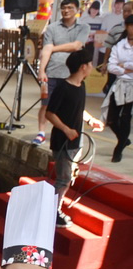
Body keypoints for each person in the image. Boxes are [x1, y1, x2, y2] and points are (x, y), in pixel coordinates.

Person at [45, 48, 92, 226]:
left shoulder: (82, 86)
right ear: (83, 67)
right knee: (63, 178)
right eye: (89, 64)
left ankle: (56, 208)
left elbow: (79, 110)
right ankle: (53, 212)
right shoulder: (63, 88)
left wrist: (89, 120)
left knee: (69, 176)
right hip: (63, 141)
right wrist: (66, 129)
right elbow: (50, 113)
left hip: (75, 142)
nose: (91, 67)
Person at [36, 0, 90, 145]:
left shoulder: (83, 28)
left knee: (74, 106)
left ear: (77, 10)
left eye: (70, 8)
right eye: (64, 8)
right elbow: (45, 51)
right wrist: (42, 70)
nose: (66, 11)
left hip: (72, 74)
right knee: (46, 105)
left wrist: (53, 47)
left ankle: (73, 133)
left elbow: (76, 46)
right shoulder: (52, 28)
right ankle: (41, 132)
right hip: (52, 71)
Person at [101, 13, 133, 162]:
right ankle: (123, 138)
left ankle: (118, 148)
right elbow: (112, 66)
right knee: (111, 119)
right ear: (126, 27)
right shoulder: (120, 45)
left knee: (126, 118)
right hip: (119, 83)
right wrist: (124, 69)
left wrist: (124, 65)